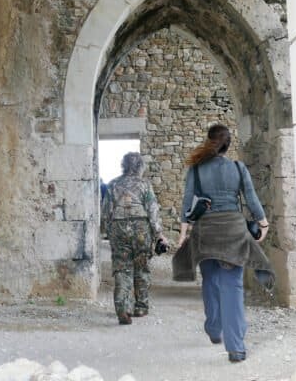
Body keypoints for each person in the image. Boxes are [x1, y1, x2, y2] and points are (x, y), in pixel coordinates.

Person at [175, 124, 272, 363]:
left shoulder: (196, 170)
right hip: (233, 232)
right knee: (233, 286)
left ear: (210, 142)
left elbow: (188, 203)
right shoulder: (238, 168)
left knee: (210, 280)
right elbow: (250, 197)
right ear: (228, 146)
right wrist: (264, 223)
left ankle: (214, 328)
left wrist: (182, 233)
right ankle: (236, 347)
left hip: (206, 232)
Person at [101, 152, 168, 325]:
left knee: (122, 268)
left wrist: (110, 232)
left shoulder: (113, 184)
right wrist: (159, 234)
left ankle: (122, 307)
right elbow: (153, 211)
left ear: (123, 166)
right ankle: (141, 306)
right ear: (140, 167)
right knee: (142, 266)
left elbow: (106, 212)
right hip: (141, 228)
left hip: (119, 226)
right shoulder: (145, 185)